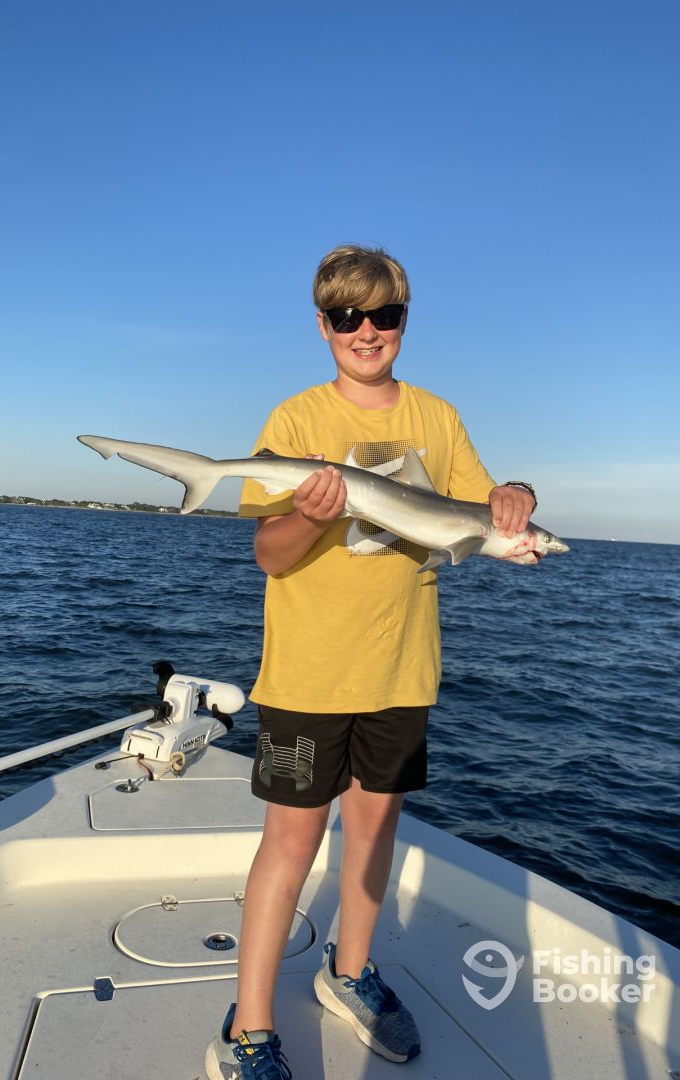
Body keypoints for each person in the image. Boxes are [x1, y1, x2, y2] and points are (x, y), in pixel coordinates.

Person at [205, 244, 536, 1079]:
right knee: (291, 844)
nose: (366, 330)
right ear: (323, 326)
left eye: (383, 315)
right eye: (347, 316)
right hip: (307, 675)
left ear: (404, 321)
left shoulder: (438, 417)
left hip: (401, 671)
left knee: (375, 831)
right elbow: (270, 555)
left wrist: (520, 497)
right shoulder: (295, 420)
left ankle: (350, 972)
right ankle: (248, 1028)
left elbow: (483, 511)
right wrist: (312, 515)